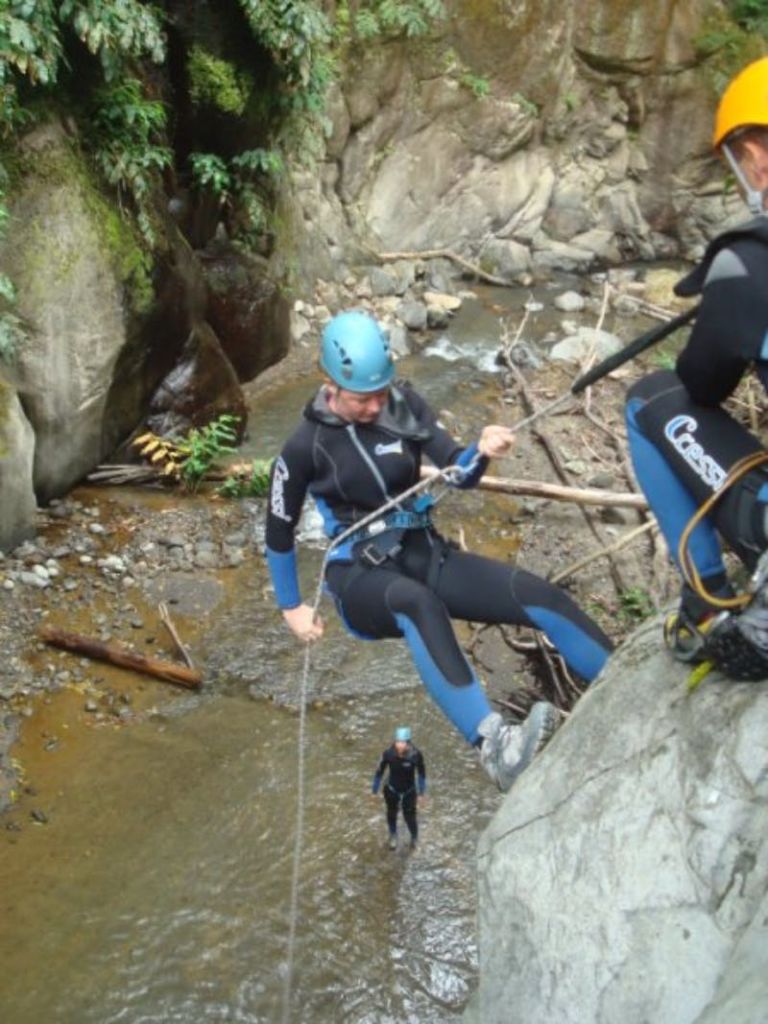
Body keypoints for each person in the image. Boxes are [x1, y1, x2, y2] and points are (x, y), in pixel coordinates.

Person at [266, 309, 614, 790]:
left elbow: (458, 471)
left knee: (541, 596)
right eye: (362, 398)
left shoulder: (402, 403)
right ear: (331, 383)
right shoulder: (304, 446)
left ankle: (626, 679)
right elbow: (278, 529)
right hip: (359, 578)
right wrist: (291, 607)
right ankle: (496, 748)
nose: (374, 407)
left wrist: (482, 450)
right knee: (417, 604)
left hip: (424, 553)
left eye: (379, 393)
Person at [625, 56, 768, 679]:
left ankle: (708, 599)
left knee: (647, 401)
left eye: (740, 158)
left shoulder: (745, 263)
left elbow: (705, 382)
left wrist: (726, 311)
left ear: (756, 154)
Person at [371, 726, 426, 850]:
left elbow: (422, 774)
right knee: (391, 813)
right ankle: (393, 835)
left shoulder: (415, 755)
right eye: (397, 742)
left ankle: (414, 837)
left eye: (402, 742)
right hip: (391, 790)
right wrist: (374, 791)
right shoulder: (388, 753)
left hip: (409, 791)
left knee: (410, 817)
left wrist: (422, 793)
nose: (399, 745)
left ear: (408, 743)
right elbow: (379, 772)